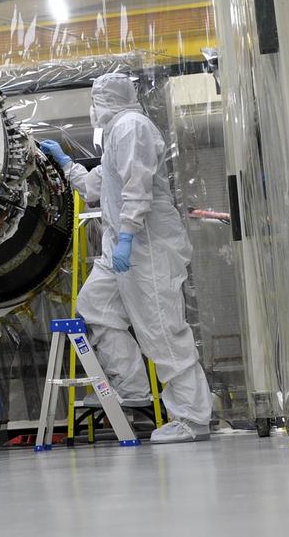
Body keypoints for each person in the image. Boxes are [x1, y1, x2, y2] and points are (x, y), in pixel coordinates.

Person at [39, 73, 213, 443]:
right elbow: (95, 186)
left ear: (105, 100)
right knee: (95, 306)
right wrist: (65, 163)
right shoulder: (115, 135)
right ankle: (132, 386)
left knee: (163, 331)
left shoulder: (132, 127)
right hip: (120, 249)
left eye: (94, 100)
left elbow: (138, 186)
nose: (92, 109)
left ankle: (193, 418)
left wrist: (129, 236)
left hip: (147, 248)